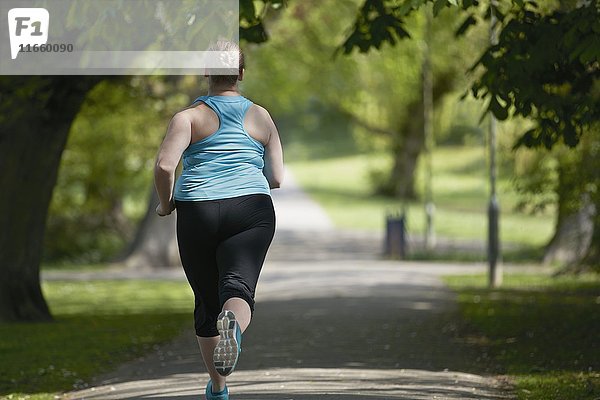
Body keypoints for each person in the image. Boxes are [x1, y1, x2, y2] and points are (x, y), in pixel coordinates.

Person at [153, 40, 284, 400]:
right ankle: (235, 331)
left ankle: (219, 389)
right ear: (241, 74)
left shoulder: (188, 118)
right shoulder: (260, 116)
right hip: (251, 209)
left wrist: (166, 205)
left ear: (206, 72)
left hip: (198, 210)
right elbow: (277, 178)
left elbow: (166, 166)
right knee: (237, 288)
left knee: (207, 302)